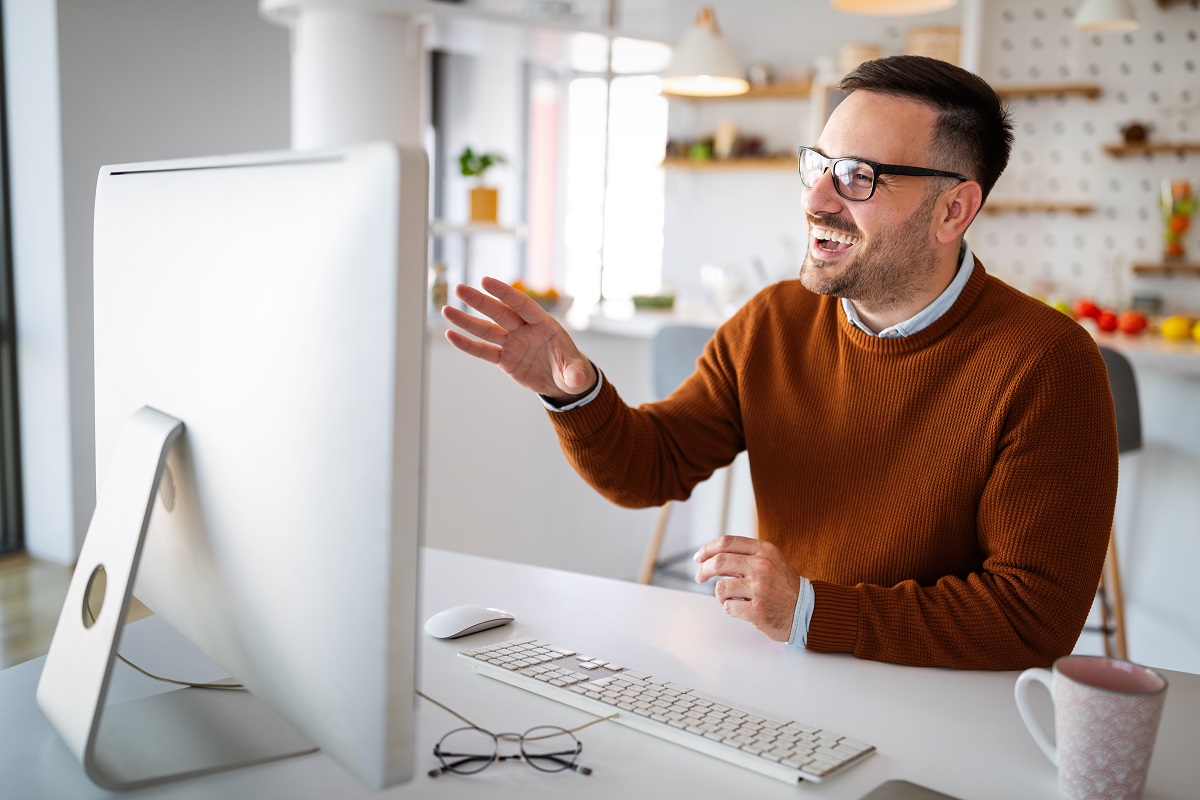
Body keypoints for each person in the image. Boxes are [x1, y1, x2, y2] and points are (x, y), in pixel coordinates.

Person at [441, 55, 1118, 671]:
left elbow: (1033, 619)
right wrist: (575, 393)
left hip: (948, 698)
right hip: (793, 670)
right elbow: (651, 467)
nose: (817, 199)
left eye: (858, 177)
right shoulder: (773, 321)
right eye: (819, 165)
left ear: (953, 210)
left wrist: (814, 611)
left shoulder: (1049, 363)